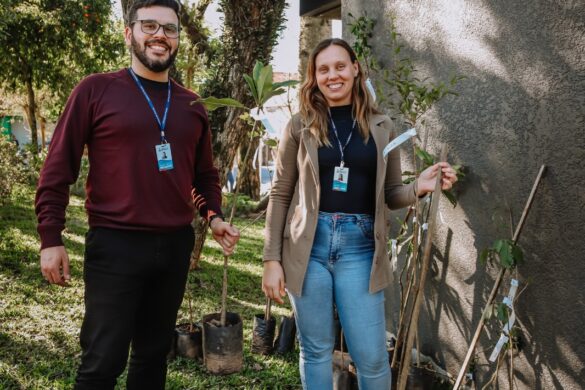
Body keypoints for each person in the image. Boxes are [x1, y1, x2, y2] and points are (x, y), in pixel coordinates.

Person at [35, 1, 240, 388]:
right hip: (115, 245)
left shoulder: (191, 105)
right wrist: (51, 237)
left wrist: (213, 217)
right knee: (101, 362)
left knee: (152, 357)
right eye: (149, 26)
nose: (160, 35)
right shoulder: (95, 90)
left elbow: (203, 175)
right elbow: (58, 168)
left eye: (170, 28)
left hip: (174, 246)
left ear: (179, 39)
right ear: (129, 33)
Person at [261, 38, 457, 390]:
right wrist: (271, 259)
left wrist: (421, 186)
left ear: (355, 69)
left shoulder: (382, 127)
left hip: (360, 250)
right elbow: (280, 193)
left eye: (340, 66)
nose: (332, 75)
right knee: (316, 349)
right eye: (323, 69)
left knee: (372, 358)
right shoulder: (299, 125)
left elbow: (392, 194)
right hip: (308, 249)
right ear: (314, 76)